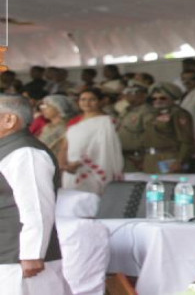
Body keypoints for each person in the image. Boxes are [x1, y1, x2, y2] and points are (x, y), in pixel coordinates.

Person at [0, 94, 71, 294]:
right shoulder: (8, 149)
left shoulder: (25, 153)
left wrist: (32, 253)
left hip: (20, 260)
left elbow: (36, 206)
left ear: (9, 120)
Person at [119, 84, 195, 173]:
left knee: (167, 181)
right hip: (149, 158)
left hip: (169, 157)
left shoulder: (178, 114)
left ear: (172, 99)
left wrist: (180, 161)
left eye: (163, 98)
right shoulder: (154, 114)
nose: (158, 101)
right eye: (154, 99)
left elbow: (186, 141)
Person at [62, 88, 123, 195]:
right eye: (83, 99)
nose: (87, 103)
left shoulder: (107, 122)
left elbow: (106, 148)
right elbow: (64, 146)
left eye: (92, 99)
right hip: (71, 169)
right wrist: (64, 165)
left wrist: (81, 162)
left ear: (100, 101)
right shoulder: (74, 121)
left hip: (94, 168)